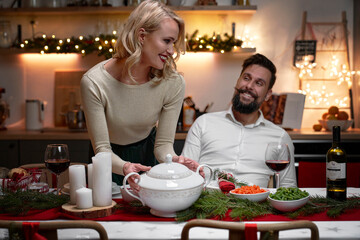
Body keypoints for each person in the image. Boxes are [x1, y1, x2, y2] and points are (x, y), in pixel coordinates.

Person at [80, 0, 186, 188]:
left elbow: (163, 146)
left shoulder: (173, 82)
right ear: (142, 36)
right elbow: (102, 149)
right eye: (167, 41)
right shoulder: (94, 82)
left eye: (174, 43)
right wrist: (125, 167)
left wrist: (175, 161)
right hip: (107, 161)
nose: (171, 51)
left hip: (147, 156)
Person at [178, 53, 297, 188]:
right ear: (238, 80)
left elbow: (288, 187)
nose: (249, 86)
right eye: (246, 78)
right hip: (206, 204)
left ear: (268, 94)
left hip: (254, 207)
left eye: (259, 83)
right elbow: (185, 174)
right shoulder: (203, 123)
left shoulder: (280, 137)